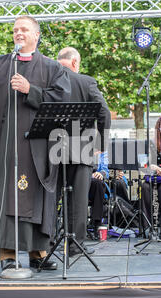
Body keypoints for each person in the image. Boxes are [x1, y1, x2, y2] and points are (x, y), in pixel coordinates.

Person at [0, 16, 71, 273]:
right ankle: (7, 256)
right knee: (5, 198)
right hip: (2, 149)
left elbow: (61, 100)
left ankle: (37, 254)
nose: (18, 33)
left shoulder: (52, 68)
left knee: (34, 199)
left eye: (24, 29)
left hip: (36, 150)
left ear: (36, 35)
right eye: (15, 30)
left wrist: (31, 89)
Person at [56, 47, 111, 255]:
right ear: (75, 62)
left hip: (51, 149)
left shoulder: (47, 82)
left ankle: (48, 244)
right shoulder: (86, 82)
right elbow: (104, 112)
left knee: (51, 200)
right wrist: (101, 144)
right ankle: (75, 245)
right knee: (78, 200)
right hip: (81, 149)